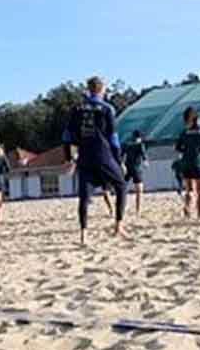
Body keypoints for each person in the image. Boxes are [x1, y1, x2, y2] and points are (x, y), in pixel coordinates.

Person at [62, 76, 128, 245]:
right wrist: (119, 160)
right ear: (102, 90)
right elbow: (113, 137)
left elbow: (67, 136)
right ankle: (118, 225)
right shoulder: (107, 109)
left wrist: (69, 158)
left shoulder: (76, 109)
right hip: (103, 155)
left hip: (85, 157)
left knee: (84, 197)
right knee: (121, 185)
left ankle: (83, 233)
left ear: (88, 89)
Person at [175, 107, 200, 220]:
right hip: (199, 163)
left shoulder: (184, 133)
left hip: (187, 163)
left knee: (189, 191)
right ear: (199, 121)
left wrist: (186, 151)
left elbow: (177, 147)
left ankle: (187, 211)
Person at [121, 130, 149, 216]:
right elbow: (144, 155)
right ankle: (138, 210)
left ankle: (123, 207)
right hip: (137, 168)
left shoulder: (127, 144)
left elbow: (121, 156)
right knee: (139, 191)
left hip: (127, 167)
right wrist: (146, 162)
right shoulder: (140, 145)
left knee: (123, 189)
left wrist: (122, 165)